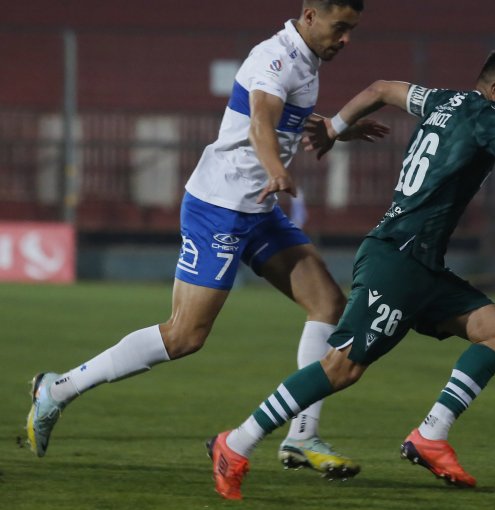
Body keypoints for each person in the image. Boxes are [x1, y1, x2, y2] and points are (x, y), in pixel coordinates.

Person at [206, 48, 495, 500]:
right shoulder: (486, 113)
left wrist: (336, 128)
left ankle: (431, 436)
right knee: (341, 367)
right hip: (397, 259)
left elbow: (380, 89)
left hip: (422, 266)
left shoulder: (441, 100)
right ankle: (236, 444)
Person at [26, 0, 388, 479]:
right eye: (340, 28)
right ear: (309, 17)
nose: (345, 39)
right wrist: (278, 171)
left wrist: (337, 130)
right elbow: (261, 118)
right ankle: (58, 389)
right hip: (219, 208)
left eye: (352, 30)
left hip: (257, 210)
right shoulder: (274, 58)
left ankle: (301, 437)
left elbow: (284, 117)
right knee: (184, 335)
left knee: (327, 305)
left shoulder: (306, 60)